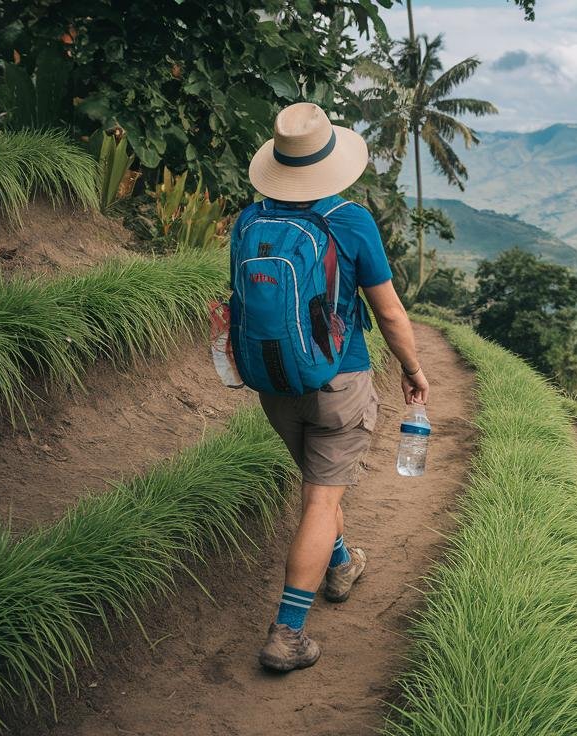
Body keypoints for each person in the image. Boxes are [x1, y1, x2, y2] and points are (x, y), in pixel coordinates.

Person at [240, 102, 429, 672]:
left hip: (273, 382)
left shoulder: (250, 220)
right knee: (321, 498)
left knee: (320, 481)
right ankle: (287, 632)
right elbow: (390, 313)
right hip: (338, 380)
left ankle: (341, 564)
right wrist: (414, 371)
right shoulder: (349, 221)